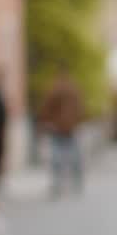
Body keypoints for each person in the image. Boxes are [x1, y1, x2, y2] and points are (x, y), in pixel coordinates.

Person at [39, 67, 84, 197]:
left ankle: (58, 183)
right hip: (70, 127)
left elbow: (46, 107)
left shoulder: (55, 90)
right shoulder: (74, 90)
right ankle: (76, 181)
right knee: (74, 156)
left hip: (58, 127)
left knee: (57, 156)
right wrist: (78, 121)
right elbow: (80, 108)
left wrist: (44, 122)